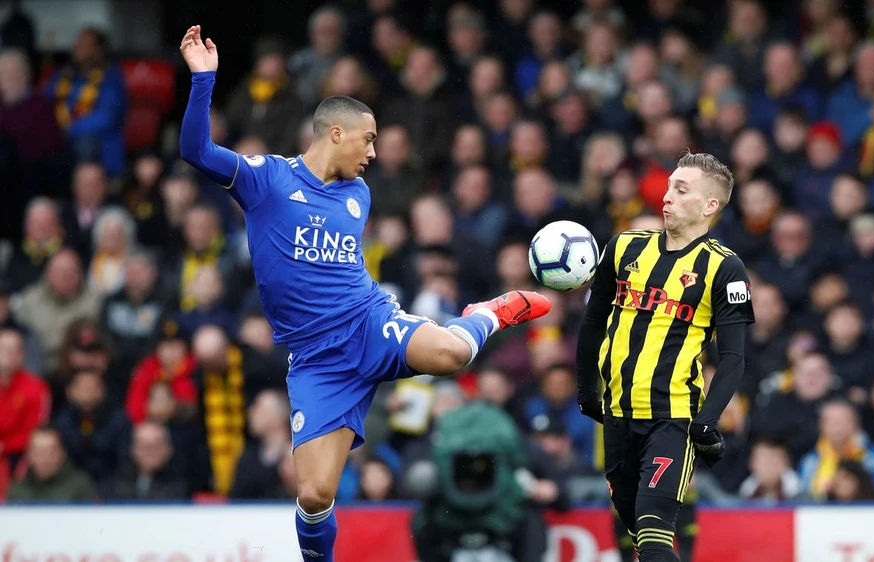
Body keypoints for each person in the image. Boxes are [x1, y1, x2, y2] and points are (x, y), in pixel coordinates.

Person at [176, 26, 551, 561]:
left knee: (453, 352)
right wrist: (203, 81)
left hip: (367, 321)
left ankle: (489, 312)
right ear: (334, 133)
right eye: (368, 139)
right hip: (315, 359)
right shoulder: (268, 180)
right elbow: (195, 149)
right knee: (313, 495)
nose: (373, 152)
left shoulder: (358, 193)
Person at [576, 151, 754, 561]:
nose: (666, 195)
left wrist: (706, 422)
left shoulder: (725, 269)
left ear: (710, 205)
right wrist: (587, 390)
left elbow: (732, 358)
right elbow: (591, 325)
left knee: (655, 538)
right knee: (638, 543)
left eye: (680, 188)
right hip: (616, 417)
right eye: (669, 185)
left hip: (672, 420)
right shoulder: (622, 248)